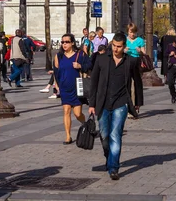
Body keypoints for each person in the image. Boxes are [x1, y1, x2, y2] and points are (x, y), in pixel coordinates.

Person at [89, 31, 143, 180]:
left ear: (124, 46)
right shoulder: (101, 60)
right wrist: (91, 104)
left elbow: (137, 82)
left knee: (115, 135)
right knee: (105, 135)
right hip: (103, 103)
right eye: (114, 46)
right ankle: (109, 157)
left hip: (121, 103)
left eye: (119, 47)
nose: (116, 49)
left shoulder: (130, 61)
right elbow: (93, 82)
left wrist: (138, 102)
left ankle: (114, 168)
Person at [54, 33, 91, 144]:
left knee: (77, 113)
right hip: (64, 87)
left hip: (77, 87)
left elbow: (90, 65)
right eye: (62, 42)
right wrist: (56, 84)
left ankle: (86, 124)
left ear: (72, 43)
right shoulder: (59, 56)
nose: (64, 44)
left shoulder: (80, 55)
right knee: (66, 111)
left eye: (67, 42)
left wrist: (80, 66)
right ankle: (68, 136)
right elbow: (56, 72)